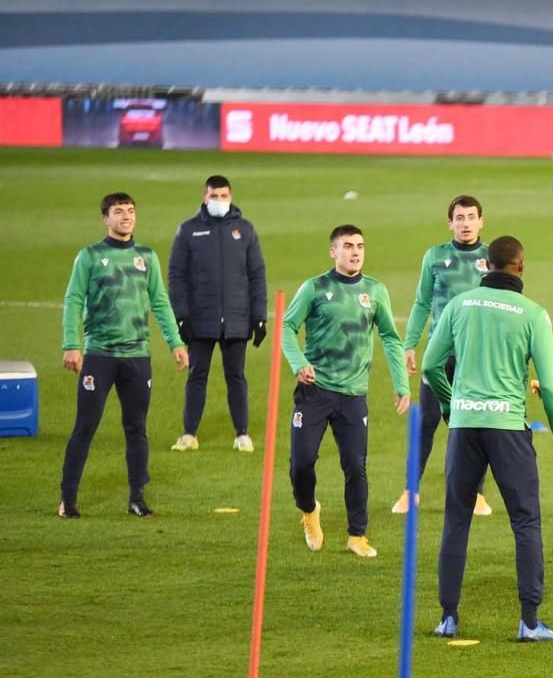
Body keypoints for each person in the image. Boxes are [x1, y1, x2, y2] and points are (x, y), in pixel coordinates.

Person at [422, 235, 553, 641]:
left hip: (464, 427)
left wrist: (452, 405)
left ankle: (448, 617)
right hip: (508, 429)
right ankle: (528, 622)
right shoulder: (532, 314)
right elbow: (552, 391)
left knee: (456, 519)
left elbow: (431, 366)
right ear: (521, 268)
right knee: (525, 522)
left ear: (486, 266)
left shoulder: (459, 305)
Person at [281, 225, 410, 558]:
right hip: (314, 391)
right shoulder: (315, 288)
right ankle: (309, 510)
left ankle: (357, 535)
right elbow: (286, 326)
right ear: (332, 252)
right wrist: (298, 362)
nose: (355, 252)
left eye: (360, 246)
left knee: (356, 465)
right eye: (348, 246)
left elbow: (391, 340)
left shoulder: (375, 291)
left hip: (353, 395)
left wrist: (401, 385)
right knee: (302, 464)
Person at [59, 192, 189, 519]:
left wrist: (176, 343)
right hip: (99, 355)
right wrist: (71, 345)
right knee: (85, 426)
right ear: (106, 218)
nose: (126, 217)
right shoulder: (89, 257)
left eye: (130, 211)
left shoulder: (147, 257)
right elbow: (74, 300)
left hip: (137, 356)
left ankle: (136, 499)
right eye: (119, 212)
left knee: (136, 428)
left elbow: (160, 302)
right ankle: (68, 499)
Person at [394, 195, 493, 517]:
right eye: (459, 218)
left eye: (471, 217)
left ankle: (476, 494)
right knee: (426, 422)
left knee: (474, 422)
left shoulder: (492, 258)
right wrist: (410, 344)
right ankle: (411, 491)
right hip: (439, 355)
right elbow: (422, 302)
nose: (465, 223)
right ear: (449, 223)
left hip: (476, 356)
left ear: (481, 221)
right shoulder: (435, 256)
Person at [168, 174, 267, 453]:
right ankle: (189, 434)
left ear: (231, 197)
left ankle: (242, 435)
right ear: (204, 197)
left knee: (236, 376)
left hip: (236, 319)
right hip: (200, 319)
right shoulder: (188, 230)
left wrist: (259, 316)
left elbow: (257, 274)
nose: (219, 201)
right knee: (197, 375)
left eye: (224, 196)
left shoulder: (245, 230)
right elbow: (177, 275)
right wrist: (182, 315)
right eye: (214, 196)